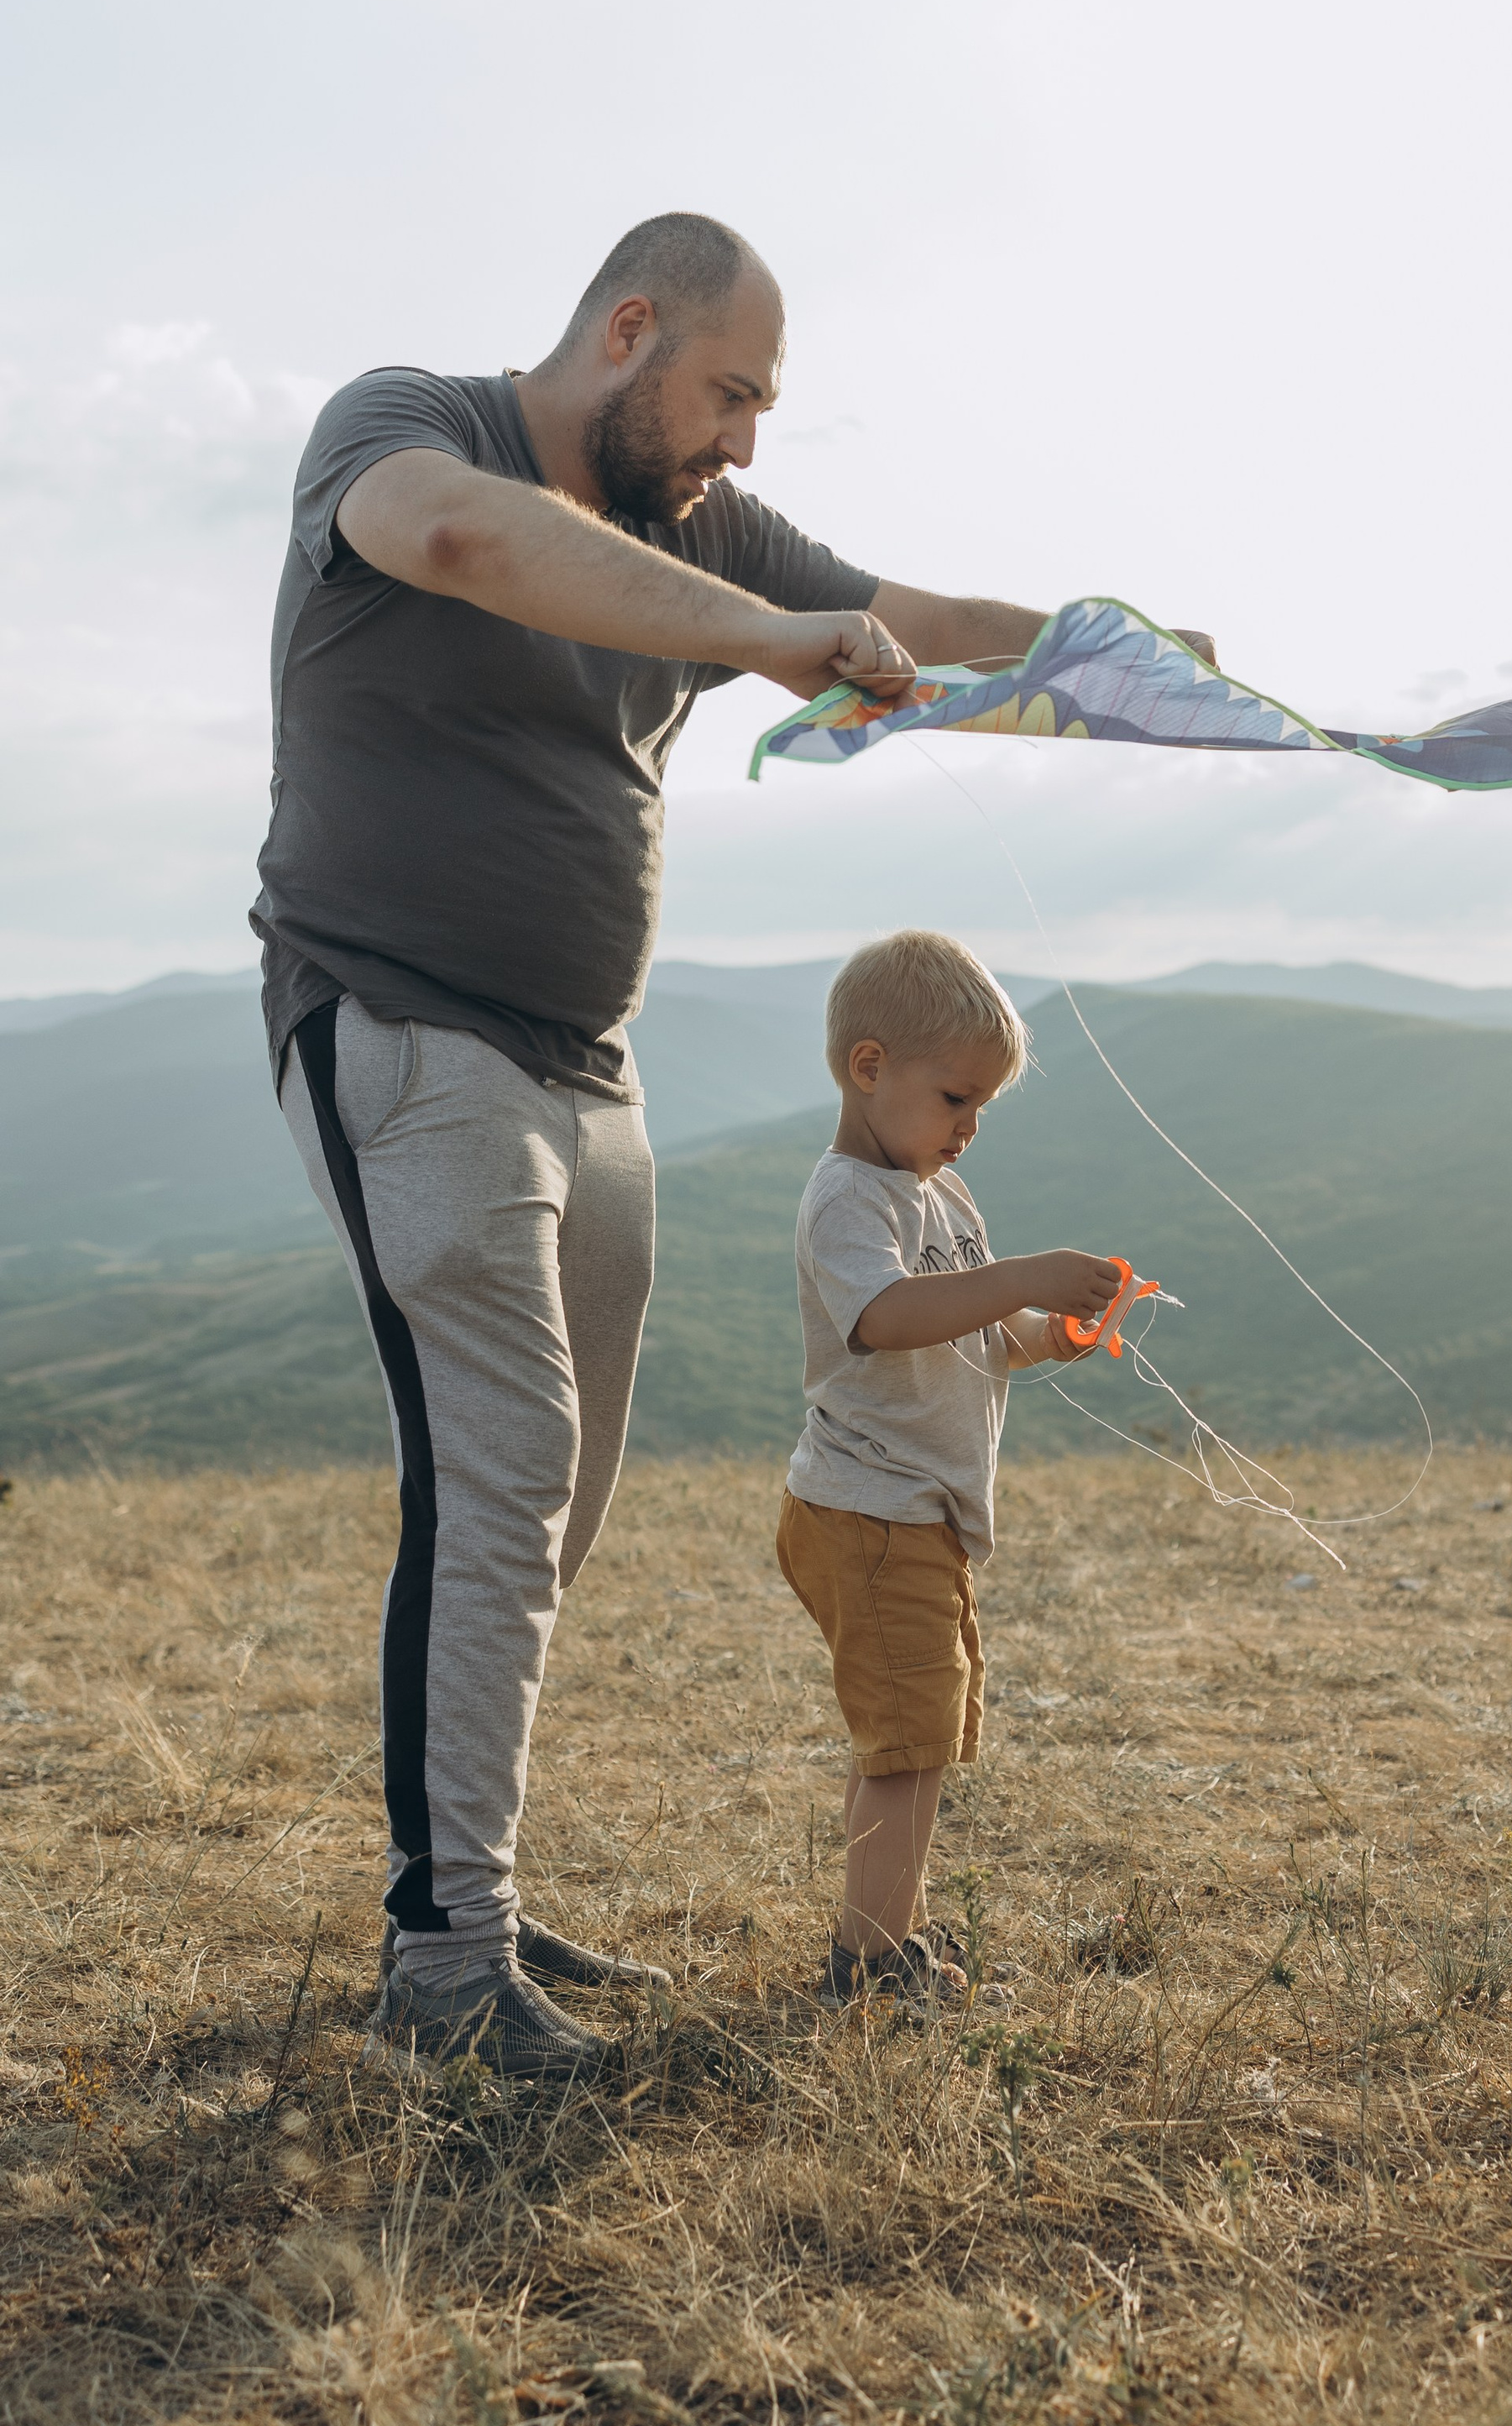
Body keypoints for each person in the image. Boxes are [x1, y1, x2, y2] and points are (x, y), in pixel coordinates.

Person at [254, 211, 1205, 2087]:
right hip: (400, 1029)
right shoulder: (403, 425)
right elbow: (459, 539)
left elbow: (919, 620)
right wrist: (768, 640)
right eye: (730, 393)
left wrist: (1126, 664)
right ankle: (443, 1965)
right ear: (629, 330)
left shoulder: (703, 524)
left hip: (584, 1072)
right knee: (503, 1474)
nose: (745, 442)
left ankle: (467, 1890)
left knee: (555, 1502)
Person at [776, 931, 1121, 2008]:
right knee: (909, 1746)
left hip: (913, 1516)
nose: (967, 1128)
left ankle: (886, 1935)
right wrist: (1021, 1274)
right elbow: (884, 1316)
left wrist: (1052, 1332)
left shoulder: (941, 1194)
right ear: (868, 1067)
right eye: (955, 1099)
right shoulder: (848, 1198)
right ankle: (872, 1967)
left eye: (982, 1108)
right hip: (867, 1514)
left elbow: (983, 1330)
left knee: (911, 1740)